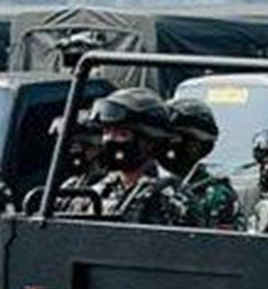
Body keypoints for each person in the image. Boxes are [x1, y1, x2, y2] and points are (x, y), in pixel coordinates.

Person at [82, 89, 190, 224]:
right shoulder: (100, 189)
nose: (110, 139)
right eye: (106, 131)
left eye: (122, 134)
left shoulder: (170, 195)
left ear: (149, 142)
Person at [164, 98, 240, 231]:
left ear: (194, 145)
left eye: (173, 137)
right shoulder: (150, 185)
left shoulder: (217, 195)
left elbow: (226, 247)